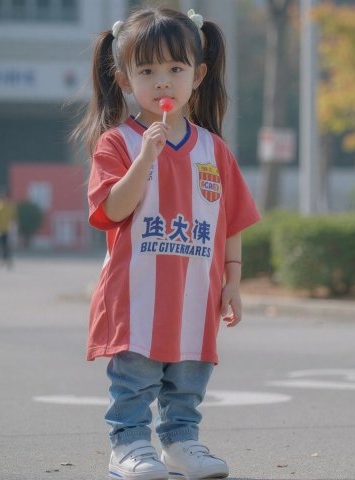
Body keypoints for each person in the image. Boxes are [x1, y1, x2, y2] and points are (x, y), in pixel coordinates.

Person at [72, 7, 260, 480]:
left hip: (196, 291)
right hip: (135, 294)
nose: (162, 82)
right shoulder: (117, 143)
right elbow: (112, 210)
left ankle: (181, 442)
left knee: (188, 377)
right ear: (123, 79)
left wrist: (232, 280)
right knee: (134, 378)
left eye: (175, 69)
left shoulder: (213, 149)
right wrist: (145, 159)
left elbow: (229, 218)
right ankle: (130, 446)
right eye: (148, 70)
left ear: (197, 76)